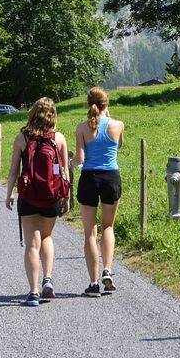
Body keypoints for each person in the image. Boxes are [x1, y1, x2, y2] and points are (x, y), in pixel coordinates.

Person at [5, 98, 71, 307]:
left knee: (32, 243)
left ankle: (33, 292)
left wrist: (9, 194)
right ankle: (48, 280)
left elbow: (14, 171)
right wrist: (66, 197)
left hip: (28, 196)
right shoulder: (58, 138)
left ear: (32, 113)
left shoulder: (21, 138)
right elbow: (65, 172)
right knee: (47, 237)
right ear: (53, 115)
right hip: (51, 196)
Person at [74, 87, 124, 297]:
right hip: (111, 177)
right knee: (108, 227)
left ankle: (93, 283)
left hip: (89, 179)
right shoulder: (118, 125)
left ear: (89, 104)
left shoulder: (82, 128)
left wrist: (70, 162)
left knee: (90, 233)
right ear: (107, 104)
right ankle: (108, 270)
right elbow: (119, 145)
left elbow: (80, 159)